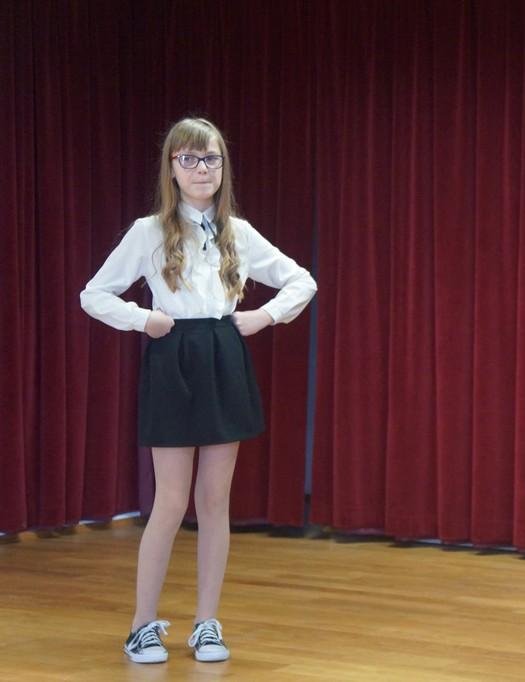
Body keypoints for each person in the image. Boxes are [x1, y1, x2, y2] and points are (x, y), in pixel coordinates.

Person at [81, 117, 317, 664]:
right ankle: (142, 625)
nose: (201, 169)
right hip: (173, 356)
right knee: (170, 501)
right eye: (188, 159)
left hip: (223, 355)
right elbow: (94, 294)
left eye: (211, 158)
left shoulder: (239, 231)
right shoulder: (148, 231)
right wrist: (143, 319)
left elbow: (302, 279)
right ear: (172, 168)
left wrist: (265, 316)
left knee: (214, 501)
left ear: (222, 166)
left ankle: (207, 623)